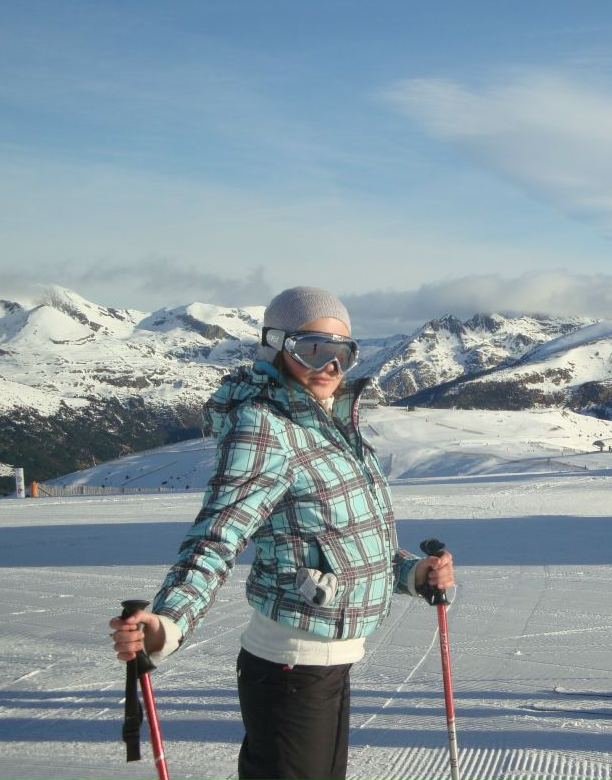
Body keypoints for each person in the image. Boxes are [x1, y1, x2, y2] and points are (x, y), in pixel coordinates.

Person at [109, 286, 455, 780]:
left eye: (343, 353)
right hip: (292, 665)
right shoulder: (265, 426)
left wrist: (412, 572)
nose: (331, 366)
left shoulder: (329, 424)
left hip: (328, 662)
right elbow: (217, 535)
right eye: (313, 348)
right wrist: (168, 622)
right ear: (276, 346)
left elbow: (338, 538)